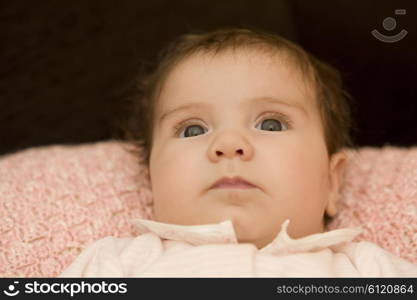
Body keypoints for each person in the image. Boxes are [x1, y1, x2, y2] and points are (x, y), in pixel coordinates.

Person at [59, 27, 417, 277]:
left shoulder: (366, 270)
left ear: (332, 181)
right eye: (192, 129)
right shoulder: (118, 263)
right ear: (151, 179)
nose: (229, 144)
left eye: (271, 124)